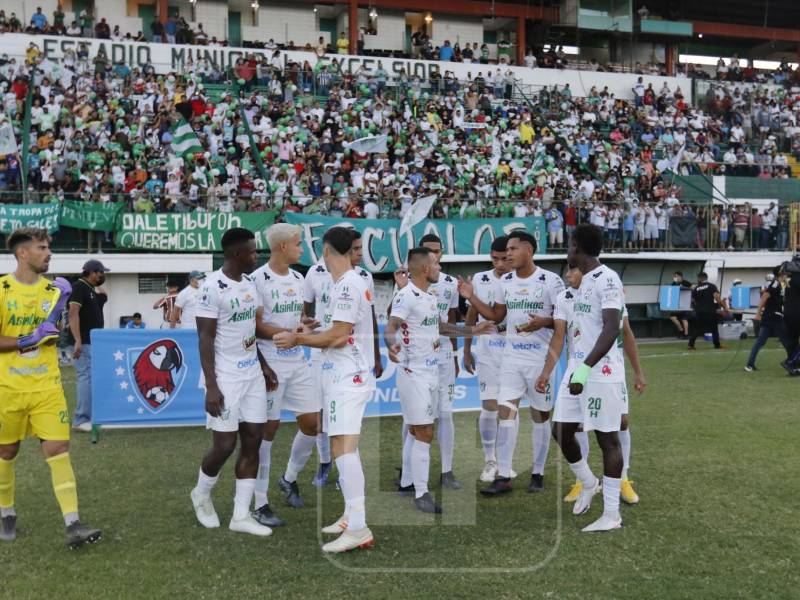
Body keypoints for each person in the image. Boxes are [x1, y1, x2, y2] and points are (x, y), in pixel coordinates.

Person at [274, 227, 375, 553]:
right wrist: (311, 328)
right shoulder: (340, 283)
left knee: (344, 448)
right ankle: (351, 517)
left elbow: (340, 336)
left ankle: (358, 528)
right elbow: (336, 328)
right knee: (342, 446)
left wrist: (298, 339)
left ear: (327, 251)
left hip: (348, 376)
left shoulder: (348, 284)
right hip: (338, 374)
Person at [0, 227, 101, 548]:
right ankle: (6, 512)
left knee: (58, 449)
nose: (49, 253)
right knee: (6, 452)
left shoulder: (53, 291)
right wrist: (27, 339)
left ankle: (73, 524)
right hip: (8, 388)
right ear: (23, 253)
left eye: (48, 248)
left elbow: (51, 335)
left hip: (47, 387)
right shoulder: (1, 289)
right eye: (42, 248)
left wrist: (58, 311)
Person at [385, 247, 493, 513]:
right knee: (424, 431)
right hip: (414, 374)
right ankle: (421, 493)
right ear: (424, 268)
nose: (439, 268)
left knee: (416, 430)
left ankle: (407, 483)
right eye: (435, 264)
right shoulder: (406, 295)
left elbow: (440, 327)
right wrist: (391, 344)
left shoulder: (429, 296)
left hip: (432, 371)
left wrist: (473, 329)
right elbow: (391, 326)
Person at [458, 230, 564, 495]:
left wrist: (544, 322)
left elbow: (563, 322)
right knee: (506, 413)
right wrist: (471, 296)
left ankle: (538, 473)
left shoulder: (551, 281)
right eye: (506, 251)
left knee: (540, 416)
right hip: (511, 359)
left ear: (528, 250)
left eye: (513, 249)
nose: (508, 255)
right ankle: (503, 475)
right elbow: (496, 315)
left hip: (540, 360)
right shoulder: (504, 282)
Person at [190, 228, 278, 537]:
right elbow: (204, 338)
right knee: (225, 445)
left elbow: (249, 331)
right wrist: (212, 385)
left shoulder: (250, 284)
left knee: (254, 441)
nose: (256, 256)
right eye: (252, 252)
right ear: (236, 254)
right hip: (225, 377)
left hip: (251, 374)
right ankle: (201, 494)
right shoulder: (211, 288)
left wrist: (263, 364)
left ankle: (241, 515)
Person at [537, 263, 646, 507]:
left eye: (573, 269)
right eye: (567, 269)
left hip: (609, 369)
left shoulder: (608, 290)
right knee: (571, 427)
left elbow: (626, 332)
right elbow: (558, 337)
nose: (568, 274)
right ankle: (584, 481)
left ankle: (623, 479)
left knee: (620, 423)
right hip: (578, 370)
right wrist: (546, 371)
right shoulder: (564, 298)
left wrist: (638, 372)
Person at [546, 223, 626, 532]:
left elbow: (612, 327)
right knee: (561, 430)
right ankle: (589, 482)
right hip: (576, 370)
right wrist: (576, 368)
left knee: (608, 440)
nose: (567, 250)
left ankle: (611, 515)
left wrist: (585, 368)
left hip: (600, 373)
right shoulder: (580, 284)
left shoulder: (608, 278)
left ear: (577, 247)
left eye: (569, 244)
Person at [251, 224, 320, 526]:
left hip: (298, 360)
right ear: (283, 247)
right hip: (271, 363)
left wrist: (304, 326)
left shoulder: (298, 278)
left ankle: (288, 478)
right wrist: (288, 333)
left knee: (313, 424)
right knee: (267, 431)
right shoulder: (257, 279)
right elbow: (254, 325)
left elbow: (296, 318)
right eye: (298, 244)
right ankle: (260, 502)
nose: (302, 249)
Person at [462, 236, 511, 482]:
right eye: (495, 258)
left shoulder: (521, 280)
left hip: (516, 355)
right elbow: (471, 315)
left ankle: (506, 462)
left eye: (504, 259)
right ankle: (490, 460)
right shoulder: (481, 279)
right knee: (490, 405)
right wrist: (466, 349)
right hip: (488, 353)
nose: (499, 264)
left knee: (508, 409)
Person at [419, 234, 462, 490]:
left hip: (444, 356)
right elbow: (394, 315)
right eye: (428, 251)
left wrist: (455, 356)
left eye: (437, 251)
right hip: (418, 357)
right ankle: (409, 471)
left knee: (446, 413)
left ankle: (447, 470)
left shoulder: (450, 283)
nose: (433, 255)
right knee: (415, 417)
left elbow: (452, 321)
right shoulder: (408, 280)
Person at [68, 259, 109, 433]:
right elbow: (73, 314)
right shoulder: (79, 287)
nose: (103, 276)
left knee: (91, 378)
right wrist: (77, 340)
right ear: (92, 272)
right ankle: (80, 419)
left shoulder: (90, 289)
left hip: (90, 342)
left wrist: (98, 285)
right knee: (85, 377)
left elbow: (104, 296)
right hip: (82, 341)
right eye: (101, 272)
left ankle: (88, 417)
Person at [746, 267, 794, 372]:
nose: (787, 274)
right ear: (780, 273)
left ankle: (749, 365)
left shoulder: (782, 284)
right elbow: (764, 297)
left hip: (770, 317)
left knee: (760, 342)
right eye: (785, 272)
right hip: (774, 317)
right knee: (787, 341)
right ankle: (792, 363)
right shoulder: (775, 284)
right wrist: (758, 314)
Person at [688, 272, 722, 350]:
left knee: (696, 329)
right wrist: (724, 307)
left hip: (700, 312)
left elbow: (693, 301)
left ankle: (690, 345)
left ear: (700, 278)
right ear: (706, 278)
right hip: (710, 311)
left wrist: (698, 307)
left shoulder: (696, 288)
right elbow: (717, 297)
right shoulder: (712, 286)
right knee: (714, 329)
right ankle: (717, 345)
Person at [669, 271, 692, 338]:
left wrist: (684, 287)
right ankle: (681, 330)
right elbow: (671, 292)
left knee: (684, 319)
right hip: (676, 303)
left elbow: (693, 288)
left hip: (685, 303)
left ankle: (686, 334)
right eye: (674, 276)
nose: (675, 278)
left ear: (681, 277)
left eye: (676, 276)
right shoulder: (673, 284)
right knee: (672, 317)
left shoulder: (685, 283)